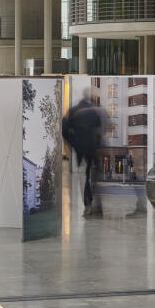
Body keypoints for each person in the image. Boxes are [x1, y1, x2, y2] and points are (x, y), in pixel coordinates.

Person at [63, 89, 106, 217]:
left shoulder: (73, 110)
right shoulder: (94, 111)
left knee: (84, 177)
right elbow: (100, 130)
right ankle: (95, 204)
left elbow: (64, 129)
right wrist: (98, 144)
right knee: (93, 176)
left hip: (81, 149)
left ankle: (88, 205)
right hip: (93, 149)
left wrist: (73, 144)